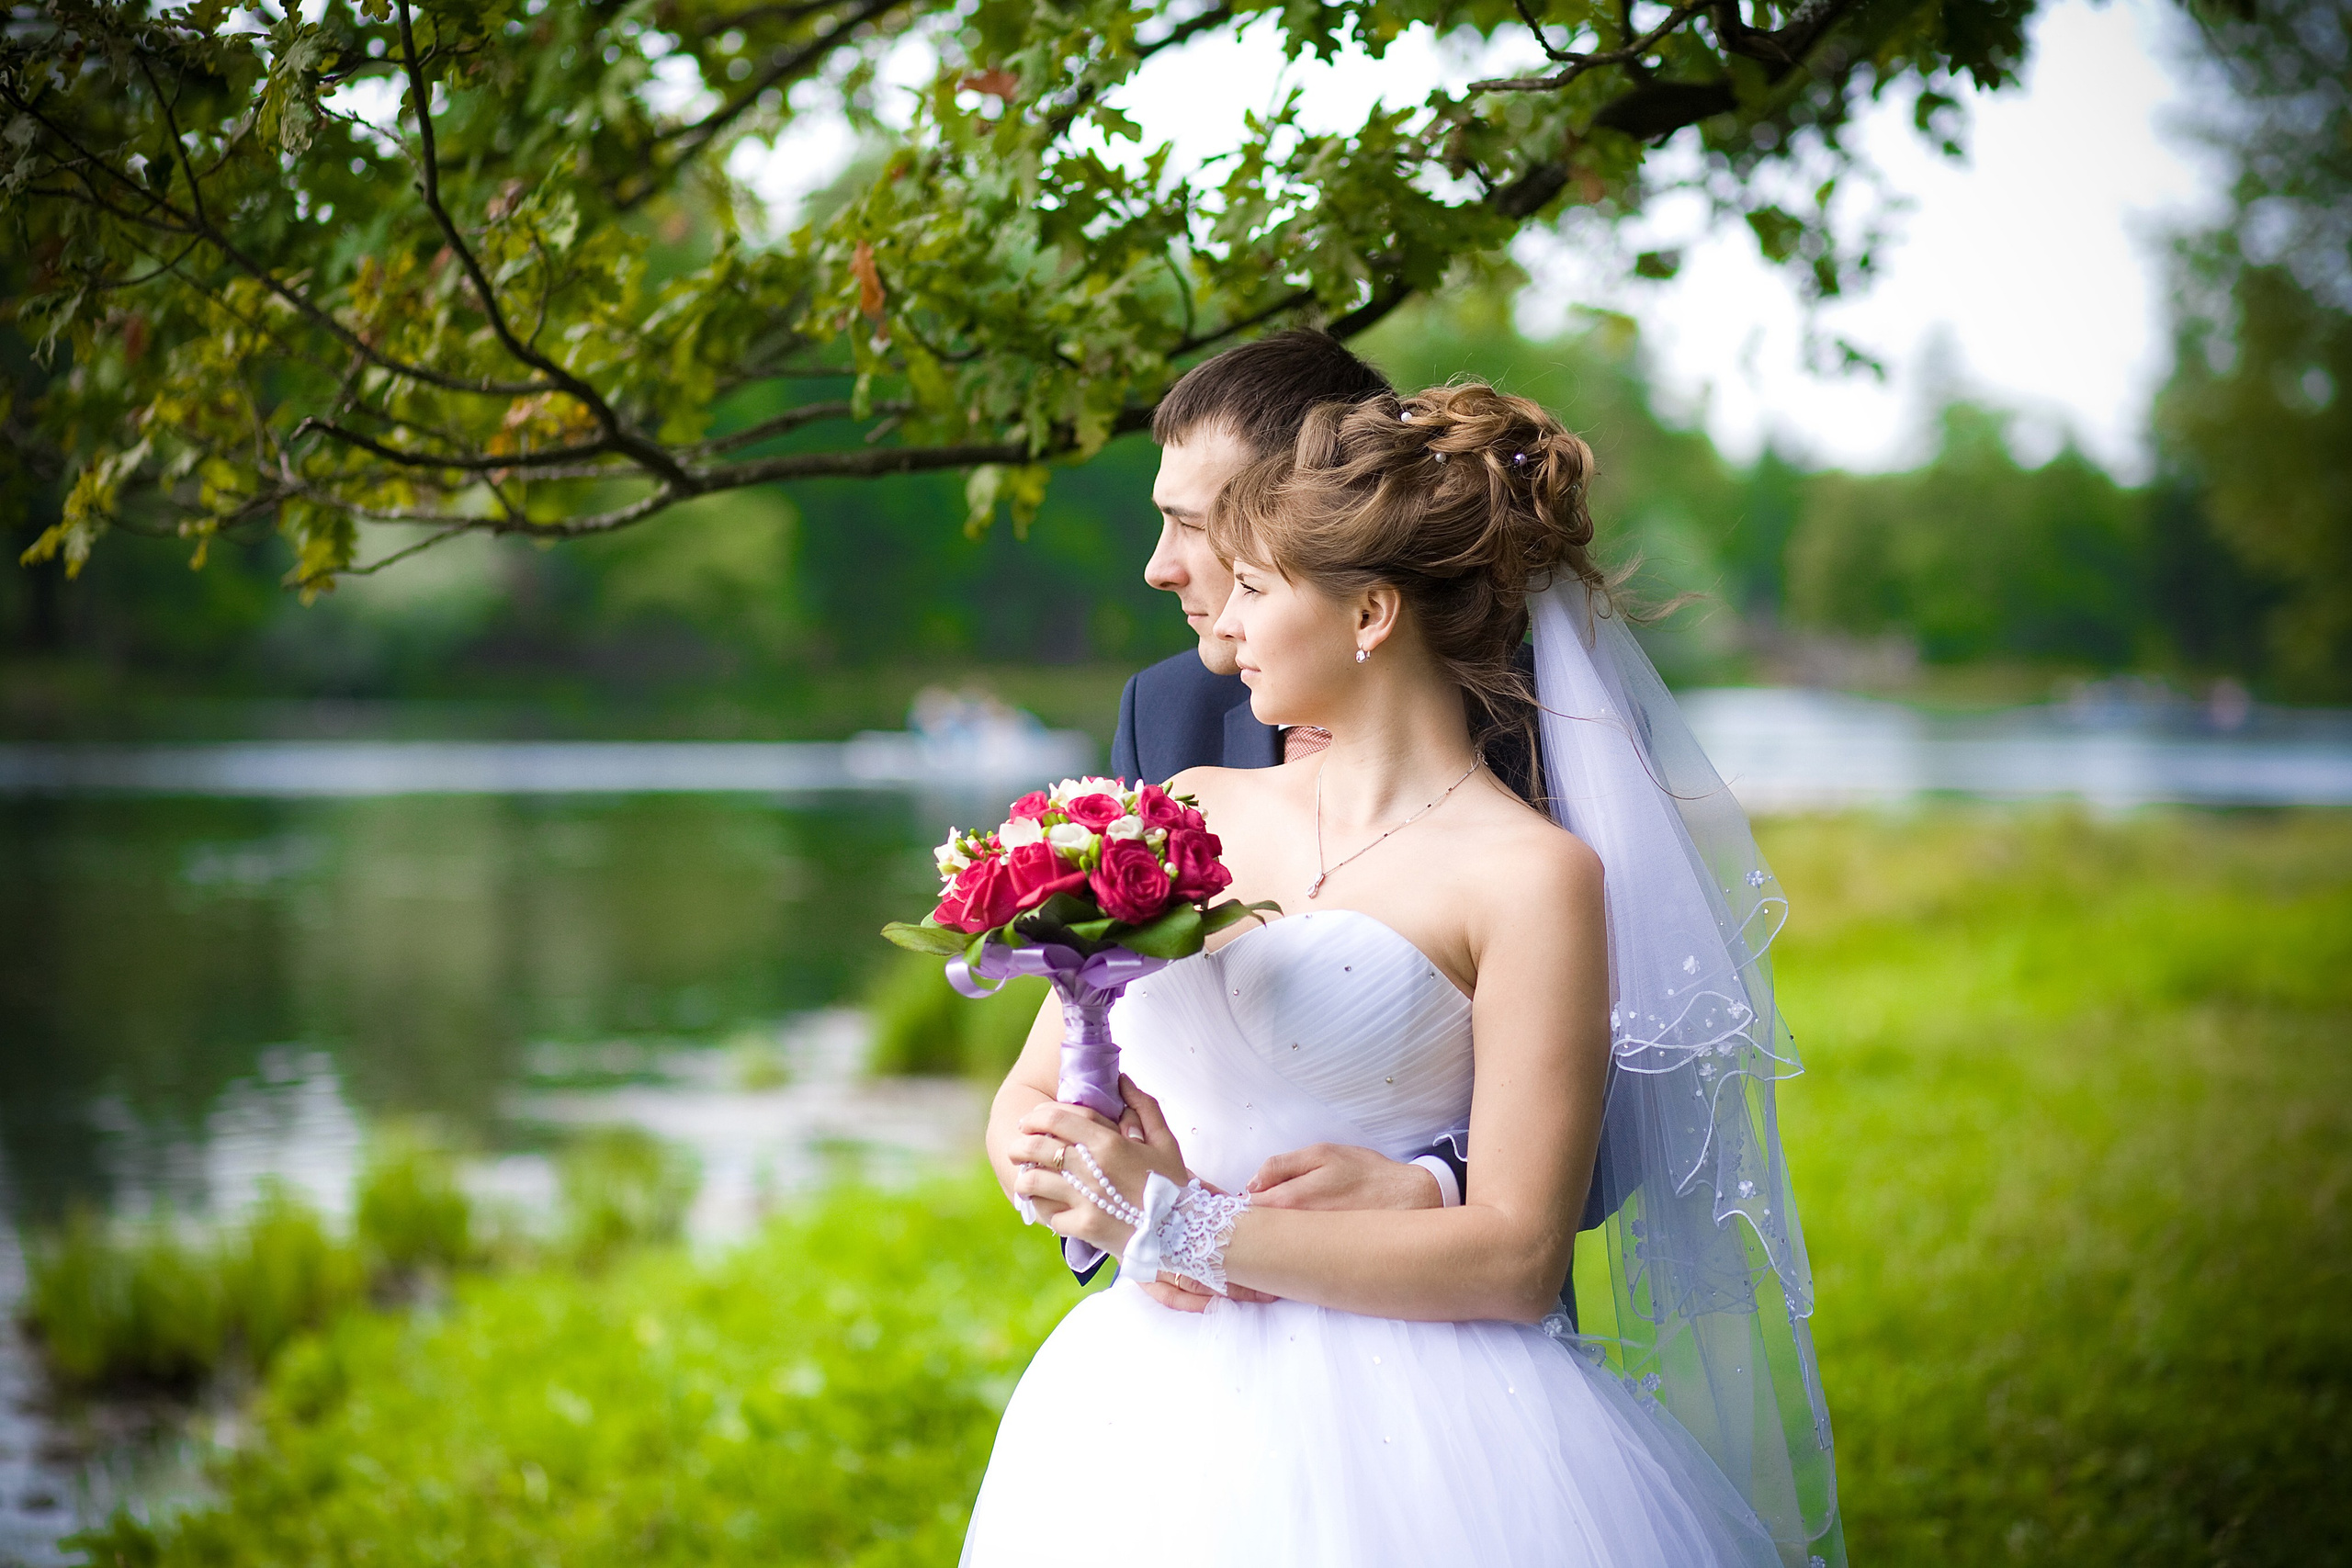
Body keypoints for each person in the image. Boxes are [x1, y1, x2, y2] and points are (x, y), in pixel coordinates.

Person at [964, 384, 1842, 1566]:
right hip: (1143, 1401)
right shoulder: (1182, 808)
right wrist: (1065, 1165)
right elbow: (1045, 1080)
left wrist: (1189, 1226)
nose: (1224, 622)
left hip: (1429, 1414)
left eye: (1258, 588)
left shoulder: (1537, 871)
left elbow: (1521, 1256)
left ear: (1370, 611)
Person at [1101, 331, 1487, 1310]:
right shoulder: (1168, 718)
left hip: (1432, 1320)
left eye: (1193, 527)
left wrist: (1438, 1181)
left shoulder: (1527, 730)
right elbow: (1102, 1025)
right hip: (1184, 1325)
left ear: (1317, 513)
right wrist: (1120, 1215)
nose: (1158, 567)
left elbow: (1645, 1058)